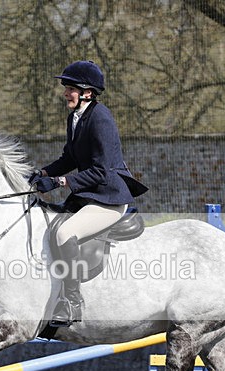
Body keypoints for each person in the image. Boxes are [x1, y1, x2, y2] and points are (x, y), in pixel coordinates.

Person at [28, 60, 148, 328]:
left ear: (88, 92)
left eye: (70, 89)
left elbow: (102, 171)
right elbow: (69, 158)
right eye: (66, 88)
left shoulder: (100, 119)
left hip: (109, 197)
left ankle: (72, 302)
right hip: (89, 195)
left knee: (64, 233)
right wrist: (42, 173)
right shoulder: (76, 117)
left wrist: (60, 181)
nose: (65, 93)